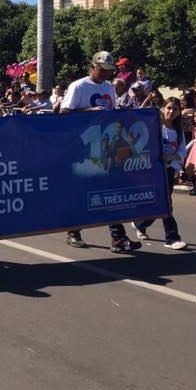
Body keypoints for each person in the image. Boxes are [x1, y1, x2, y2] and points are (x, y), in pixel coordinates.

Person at [60, 51, 142, 254]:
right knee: (81, 191)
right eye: (102, 69)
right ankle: (73, 232)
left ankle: (118, 238)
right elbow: (63, 114)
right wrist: (89, 112)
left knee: (110, 191)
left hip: (105, 147)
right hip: (81, 147)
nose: (105, 74)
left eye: (109, 71)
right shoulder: (79, 86)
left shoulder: (108, 87)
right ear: (92, 66)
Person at [132, 98, 189, 249]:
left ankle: (140, 223)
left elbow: (181, 150)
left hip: (169, 170)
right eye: (169, 108)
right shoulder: (155, 126)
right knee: (165, 204)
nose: (171, 112)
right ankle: (172, 237)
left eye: (175, 109)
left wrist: (172, 159)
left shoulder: (177, 130)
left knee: (162, 203)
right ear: (163, 108)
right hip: (154, 170)